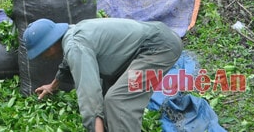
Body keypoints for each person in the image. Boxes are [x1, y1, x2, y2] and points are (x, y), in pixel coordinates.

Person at [23, 18, 183, 132]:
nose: (42, 57)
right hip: (150, 43)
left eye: (41, 53)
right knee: (109, 95)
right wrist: (52, 86)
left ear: (49, 47)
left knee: (118, 101)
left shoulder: (75, 46)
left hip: (159, 49)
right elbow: (67, 64)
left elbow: (89, 95)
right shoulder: (71, 33)